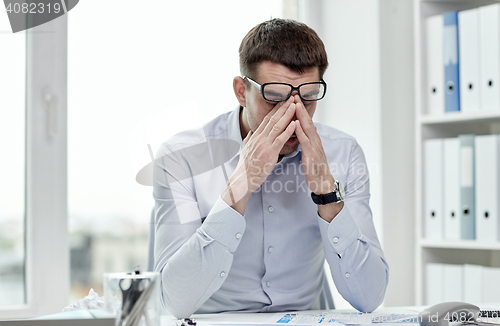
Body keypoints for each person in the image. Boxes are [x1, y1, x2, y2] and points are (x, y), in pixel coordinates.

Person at [153, 18, 389, 319]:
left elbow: (369, 297)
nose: (293, 114)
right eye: (274, 98)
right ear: (241, 91)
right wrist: (240, 184)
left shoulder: (343, 152)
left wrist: (328, 194)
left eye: (308, 97)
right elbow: (174, 300)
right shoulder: (181, 158)